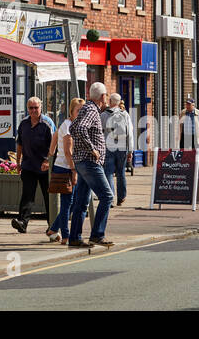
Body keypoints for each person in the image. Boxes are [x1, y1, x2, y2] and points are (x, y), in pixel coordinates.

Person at [67, 82, 116, 250]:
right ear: (102, 97)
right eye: (106, 95)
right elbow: (79, 128)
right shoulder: (92, 110)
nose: (107, 98)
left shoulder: (87, 109)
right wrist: (92, 149)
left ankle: (74, 238)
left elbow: (73, 126)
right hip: (89, 162)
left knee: (81, 201)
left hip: (82, 162)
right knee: (107, 196)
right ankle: (97, 234)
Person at [11, 96, 53, 234]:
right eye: (31, 108)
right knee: (27, 195)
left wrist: (47, 160)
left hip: (44, 167)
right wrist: (17, 162)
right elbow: (20, 144)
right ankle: (22, 222)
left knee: (49, 198)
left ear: (41, 107)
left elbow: (54, 144)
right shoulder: (23, 124)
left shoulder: (47, 123)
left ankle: (52, 225)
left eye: (36, 107)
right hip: (28, 165)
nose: (34, 110)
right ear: (27, 109)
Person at [46, 97, 85, 243]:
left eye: (83, 111)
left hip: (65, 166)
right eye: (78, 111)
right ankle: (66, 236)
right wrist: (74, 171)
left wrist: (51, 153)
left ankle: (53, 229)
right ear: (71, 111)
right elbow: (68, 152)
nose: (80, 114)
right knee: (67, 204)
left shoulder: (68, 124)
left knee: (72, 203)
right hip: (66, 168)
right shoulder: (69, 127)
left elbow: (55, 135)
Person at [102, 93, 134, 206]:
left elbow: (100, 132)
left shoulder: (104, 115)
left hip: (108, 147)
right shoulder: (125, 115)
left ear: (110, 101)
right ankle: (121, 197)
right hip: (122, 147)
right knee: (121, 173)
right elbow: (130, 133)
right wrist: (130, 150)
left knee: (108, 173)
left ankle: (110, 198)